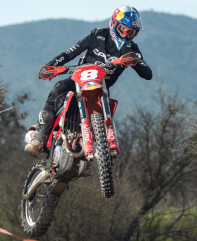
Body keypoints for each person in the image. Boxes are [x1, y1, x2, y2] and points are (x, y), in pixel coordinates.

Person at [25, 5, 153, 158]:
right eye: (122, 29)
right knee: (58, 89)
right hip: (78, 81)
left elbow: (148, 74)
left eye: (130, 32)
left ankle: (103, 144)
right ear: (114, 24)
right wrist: (51, 66)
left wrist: (135, 61)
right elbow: (70, 53)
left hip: (101, 87)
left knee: (106, 108)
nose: (125, 34)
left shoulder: (131, 49)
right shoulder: (97, 35)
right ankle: (39, 137)